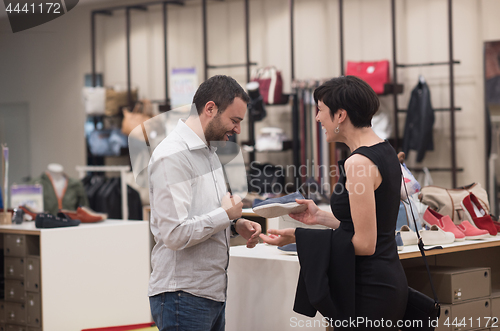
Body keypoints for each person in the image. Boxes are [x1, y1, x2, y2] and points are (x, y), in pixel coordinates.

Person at [260, 76, 408, 330]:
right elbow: (368, 225)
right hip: (381, 281)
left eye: (320, 110)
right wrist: (320, 217)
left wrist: (301, 237)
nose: (317, 118)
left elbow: (365, 243)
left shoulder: (359, 163)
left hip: (368, 289)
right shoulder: (385, 150)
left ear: (340, 115)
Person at [148, 75, 262, 331]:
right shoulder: (172, 156)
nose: (238, 130)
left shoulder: (209, 152)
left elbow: (203, 214)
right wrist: (225, 215)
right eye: (235, 121)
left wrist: (235, 225)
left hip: (209, 294)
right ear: (210, 109)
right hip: (183, 297)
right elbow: (175, 234)